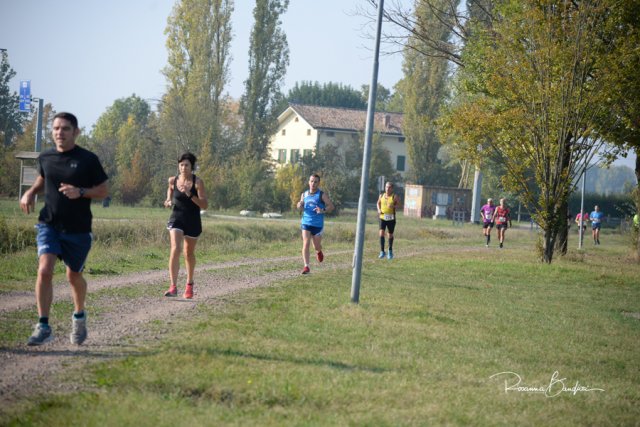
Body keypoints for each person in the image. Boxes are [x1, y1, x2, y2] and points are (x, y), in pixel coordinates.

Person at [19, 112, 109, 346]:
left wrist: (80, 192)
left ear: (76, 132)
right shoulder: (46, 157)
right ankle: (43, 324)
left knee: (73, 275)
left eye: (65, 129)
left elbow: (103, 190)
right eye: (56, 128)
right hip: (49, 223)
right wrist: (30, 192)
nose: (60, 133)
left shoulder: (88, 159)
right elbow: (43, 179)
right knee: (44, 270)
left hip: (78, 228)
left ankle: (79, 317)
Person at [163, 152, 208, 298]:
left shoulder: (197, 182)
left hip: (193, 220)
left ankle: (189, 285)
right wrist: (168, 200)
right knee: (175, 248)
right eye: (181, 165)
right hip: (176, 217)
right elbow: (170, 191)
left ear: (192, 166)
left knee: (188, 253)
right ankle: (173, 287)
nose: (183, 168)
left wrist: (190, 194)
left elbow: (204, 205)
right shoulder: (173, 180)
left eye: (186, 165)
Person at [296, 174, 334, 274]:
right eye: (312, 181)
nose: (313, 183)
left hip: (317, 225)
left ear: (318, 183)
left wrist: (322, 210)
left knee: (316, 246)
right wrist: (299, 205)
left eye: (315, 182)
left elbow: (331, 206)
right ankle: (306, 266)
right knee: (306, 243)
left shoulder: (321, 195)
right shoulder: (304, 194)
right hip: (306, 222)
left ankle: (319, 251)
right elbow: (300, 205)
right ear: (309, 182)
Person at [377, 181, 400, 259]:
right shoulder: (381, 195)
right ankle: (382, 251)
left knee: (390, 235)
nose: (387, 189)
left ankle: (390, 251)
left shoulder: (394, 196)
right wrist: (378, 209)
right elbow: (378, 203)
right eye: (386, 187)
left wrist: (393, 206)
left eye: (389, 187)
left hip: (391, 218)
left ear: (392, 189)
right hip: (382, 217)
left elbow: (399, 206)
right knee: (381, 233)